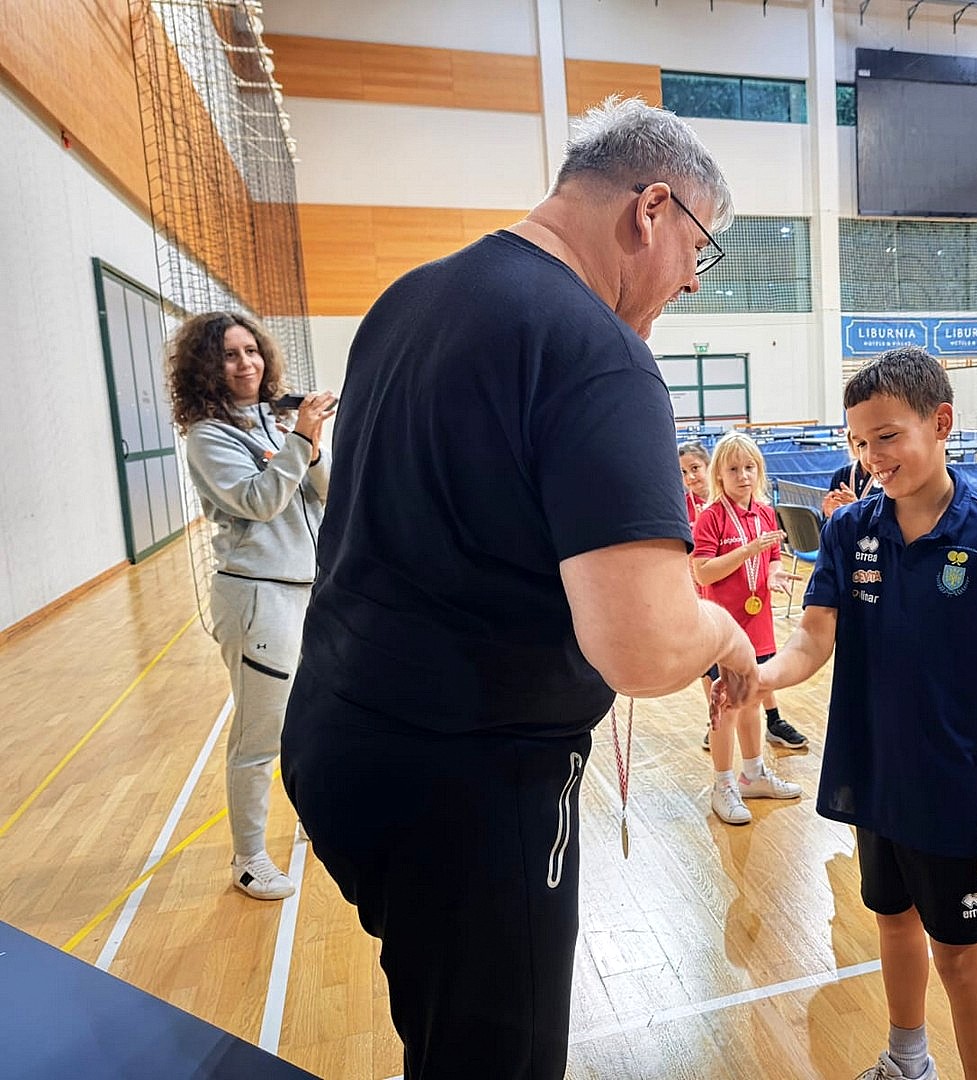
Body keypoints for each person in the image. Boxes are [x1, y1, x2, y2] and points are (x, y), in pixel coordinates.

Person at [280, 98, 760, 1079]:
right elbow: (641, 647)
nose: (688, 282)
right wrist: (723, 636)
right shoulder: (598, 354)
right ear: (652, 210)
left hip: (337, 740)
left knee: (437, 1021)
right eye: (697, 250)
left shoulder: (408, 301)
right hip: (469, 789)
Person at [754, 346, 977, 1080]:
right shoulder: (848, 531)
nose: (871, 457)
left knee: (958, 955)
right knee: (892, 921)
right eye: (859, 442)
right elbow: (813, 636)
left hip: (957, 791)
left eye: (887, 436)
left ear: (941, 422)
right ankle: (908, 1060)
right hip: (875, 777)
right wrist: (760, 676)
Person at [167, 312, 336, 900]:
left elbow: (326, 493)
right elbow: (259, 502)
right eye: (229, 355)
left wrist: (308, 442)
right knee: (260, 736)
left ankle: (315, 818)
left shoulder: (276, 420)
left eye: (251, 351)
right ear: (206, 368)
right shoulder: (209, 436)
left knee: (311, 719)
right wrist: (299, 441)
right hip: (258, 598)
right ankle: (249, 858)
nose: (245, 364)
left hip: (308, 591)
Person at [690, 432, 805, 824]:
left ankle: (753, 774)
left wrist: (773, 574)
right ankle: (723, 784)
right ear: (719, 476)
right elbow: (703, 571)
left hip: (757, 624)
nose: (743, 475)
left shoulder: (765, 513)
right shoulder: (711, 516)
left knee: (753, 699)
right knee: (724, 708)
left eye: (749, 467)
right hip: (720, 632)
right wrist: (747, 551)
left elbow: (772, 558)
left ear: (759, 471)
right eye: (734, 469)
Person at [821, 428, 874, 519]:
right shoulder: (841, 475)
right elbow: (829, 520)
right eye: (859, 442)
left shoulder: (885, 476)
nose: (861, 447)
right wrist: (829, 515)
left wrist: (856, 508)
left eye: (865, 442)